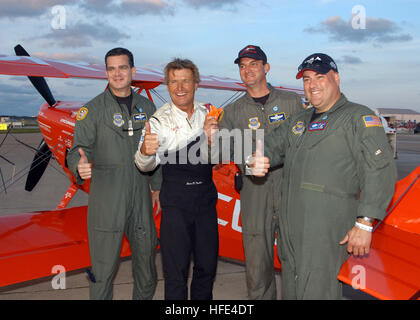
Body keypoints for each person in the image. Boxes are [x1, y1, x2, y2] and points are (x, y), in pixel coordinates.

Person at [249, 53, 397, 299]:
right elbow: (267, 147)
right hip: (291, 230)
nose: (312, 84)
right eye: (307, 79)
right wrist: (252, 161)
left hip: (326, 229)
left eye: (320, 77)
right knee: (293, 290)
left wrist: (365, 222)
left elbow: (380, 169)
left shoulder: (358, 118)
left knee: (320, 290)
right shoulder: (298, 121)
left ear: (336, 78)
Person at [204, 45, 303, 299]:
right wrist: (211, 138)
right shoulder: (233, 112)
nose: (247, 70)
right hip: (254, 191)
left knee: (295, 259)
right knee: (257, 264)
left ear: (266, 68)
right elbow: (216, 156)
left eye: (253, 64)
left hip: (291, 187)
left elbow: (308, 141)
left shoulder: (292, 102)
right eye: (242, 65)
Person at [67, 47, 161, 300]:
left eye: (122, 67)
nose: (117, 73)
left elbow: (157, 149)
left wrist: (157, 186)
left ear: (133, 71)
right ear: (106, 72)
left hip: (140, 195)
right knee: (103, 269)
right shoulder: (92, 110)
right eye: (111, 68)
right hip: (107, 198)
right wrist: (79, 165)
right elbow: (78, 149)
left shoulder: (147, 106)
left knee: (146, 267)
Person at [134, 58, 219, 300]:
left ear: (196, 84)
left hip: (205, 202)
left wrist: (214, 142)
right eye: (173, 82)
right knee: (175, 273)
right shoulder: (158, 122)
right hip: (176, 205)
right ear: (167, 86)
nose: (180, 88)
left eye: (186, 81)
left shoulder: (209, 115)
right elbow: (142, 164)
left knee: (207, 269)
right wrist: (145, 152)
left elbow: (216, 158)